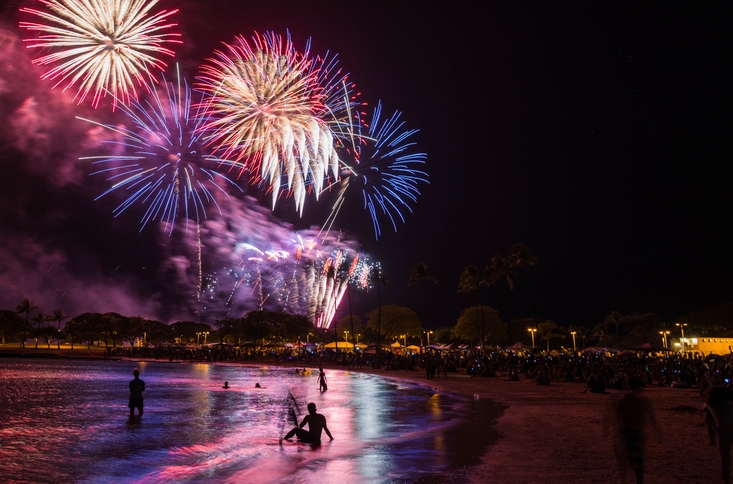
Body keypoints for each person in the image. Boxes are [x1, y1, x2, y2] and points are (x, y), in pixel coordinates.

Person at [604, 376, 661, 484]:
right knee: (637, 463)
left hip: (626, 431)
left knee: (624, 462)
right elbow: (652, 418)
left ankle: (624, 480)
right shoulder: (643, 399)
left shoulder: (624, 398)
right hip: (636, 432)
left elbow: (617, 415)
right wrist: (657, 431)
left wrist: (612, 429)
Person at [704, 386, 733, 484]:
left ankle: (726, 481)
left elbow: (708, 421)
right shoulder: (728, 404)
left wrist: (712, 438)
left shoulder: (711, 405)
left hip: (722, 431)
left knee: (725, 460)